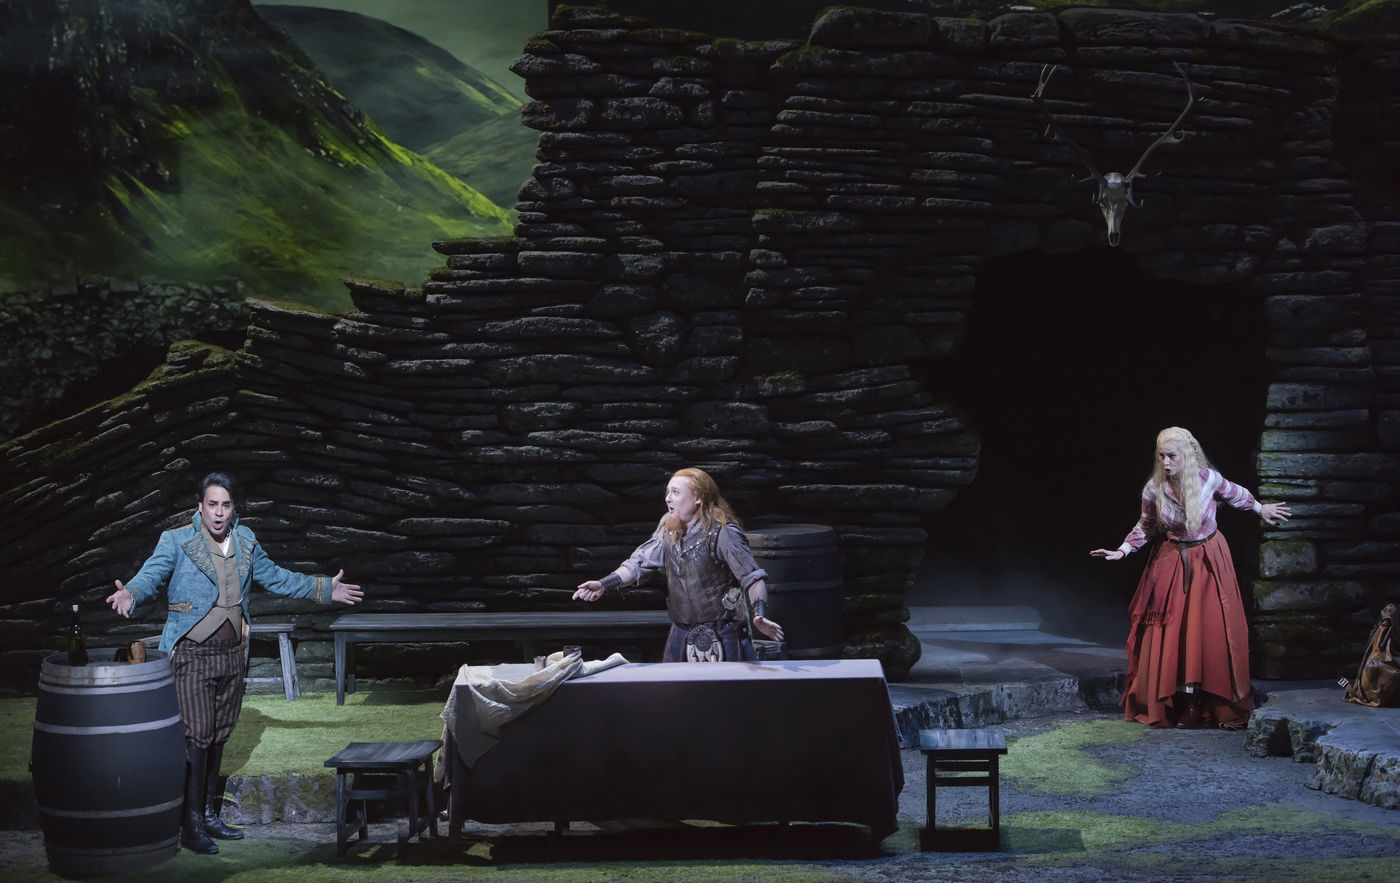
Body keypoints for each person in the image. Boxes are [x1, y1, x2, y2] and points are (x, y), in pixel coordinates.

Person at [105, 472, 364, 854]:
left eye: (225, 505)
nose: (218, 512)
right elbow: (152, 575)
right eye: (212, 504)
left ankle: (209, 813)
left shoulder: (245, 540)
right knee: (197, 735)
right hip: (191, 655)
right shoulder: (176, 540)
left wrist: (324, 588)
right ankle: (191, 823)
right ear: (200, 507)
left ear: (233, 508)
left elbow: (277, 578)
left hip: (231, 655)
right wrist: (131, 592)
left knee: (219, 734)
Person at [1091, 427, 1290, 730]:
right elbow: (1146, 526)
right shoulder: (1154, 489)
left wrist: (1261, 509)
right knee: (1173, 631)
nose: (1166, 462)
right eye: (1162, 456)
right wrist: (1122, 550)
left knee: (1206, 630)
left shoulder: (1208, 479)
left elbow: (1236, 494)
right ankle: (1176, 698)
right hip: (1172, 560)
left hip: (1209, 560)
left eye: (1172, 456)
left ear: (1188, 454)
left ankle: (1200, 701)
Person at [573, 467, 784, 661]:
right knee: (673, 689)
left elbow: (752, 577)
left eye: (675, 492)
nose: (668, 498)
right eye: (668, 492)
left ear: (698, 497)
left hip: (722, 631)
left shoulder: (723, 533)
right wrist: (604, 584)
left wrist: (759, 615)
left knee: (722, 689)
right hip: (681, 631)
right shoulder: (669, 532)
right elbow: (637, 565)